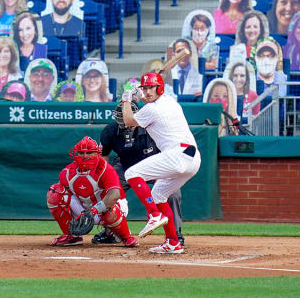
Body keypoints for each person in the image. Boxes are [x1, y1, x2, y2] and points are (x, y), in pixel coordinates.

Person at [120, 71, 201, 254]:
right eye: (145, 88)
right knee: (158, 195)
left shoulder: (151, 109)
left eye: (152, 88)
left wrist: (127, 99)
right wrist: (139, 96)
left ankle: (154, 215)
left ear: (160, 88)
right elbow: (147, 106)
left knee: (131, 174)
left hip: (177, 154)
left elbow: (128, 120)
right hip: (192, 158)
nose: (148, 92)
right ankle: (173, 242)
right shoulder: (170, 101)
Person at [98, 100, 185, 245]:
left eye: (128, 117)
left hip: (154, 165)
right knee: (108, 190)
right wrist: (105, 179)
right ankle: (112, 232)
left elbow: (167, 151)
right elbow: (103, 158)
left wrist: (165, 175)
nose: (126, 122)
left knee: (173, 193)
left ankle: (175, 233)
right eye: (122, 117)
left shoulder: (152, 129)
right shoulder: (110, 131)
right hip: (125, 165)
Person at [46, 136, 138, 247]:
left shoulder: (106, 169)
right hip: (85, 207)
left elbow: (114, 195)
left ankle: (125, 237)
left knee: (110, 209)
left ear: (97, 153)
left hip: (110, 207)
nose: (85, 156)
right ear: (76, 154)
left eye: (89, 153)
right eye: (81, 153)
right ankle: (72, 236)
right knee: (55, 192)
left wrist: (94, 210)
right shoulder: (67, 172)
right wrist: (79, 214)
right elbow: (64, 197)